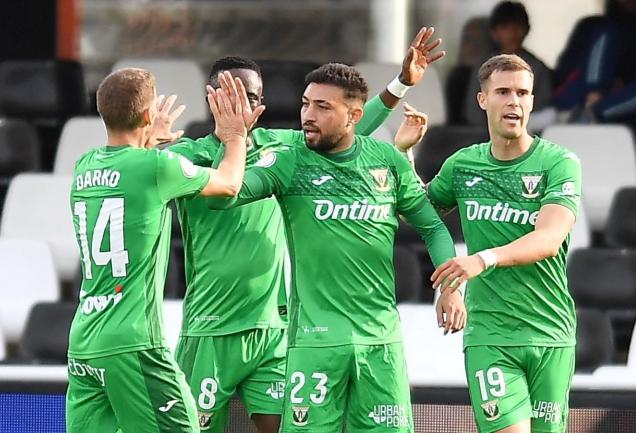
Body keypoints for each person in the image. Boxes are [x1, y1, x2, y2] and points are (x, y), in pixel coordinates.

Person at [161, 27, 447, 433]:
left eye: (256, 97)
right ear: (214, 99)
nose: (250, 105)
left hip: (273, 327)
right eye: (238, 96)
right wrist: (142, 144)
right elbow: (170, 183)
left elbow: (349, 131)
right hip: (211, 325)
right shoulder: (189, 156)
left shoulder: (286, 149)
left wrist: (401, 85)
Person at [66, 68, 261, 433]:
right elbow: (230, 184)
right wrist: (235, 136)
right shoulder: (158, 166)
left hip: (84, 341)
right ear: (146, 115)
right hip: (134, 341)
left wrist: (147, 139)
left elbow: (126, 172)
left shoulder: (83, 166)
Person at [427, 54, 581, 433]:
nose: (514, 101)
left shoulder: (558, 163)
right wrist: (403, 154)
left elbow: (548, 238)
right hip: (490, 335)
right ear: (483, 100)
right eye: (503, 92)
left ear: (531, 102)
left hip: (550, 331)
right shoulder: (462, 165)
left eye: (523, 93)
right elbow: (418, 212)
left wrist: (482, 259)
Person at [553, 0, 636, 151]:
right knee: (607, 32)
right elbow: (564, 73)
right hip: (577, 103)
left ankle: (595, 111)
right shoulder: (593, 26)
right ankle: (591, 105)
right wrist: (596, 91)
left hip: (630, 115)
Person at [464, 1, 553, 131]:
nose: (513, 33)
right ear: (494, 32)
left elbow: (543, 111)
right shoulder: (483, 67)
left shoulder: (537, 68)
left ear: (527, 29)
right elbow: (473, 112)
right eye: (505, 27)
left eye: (518, 27)